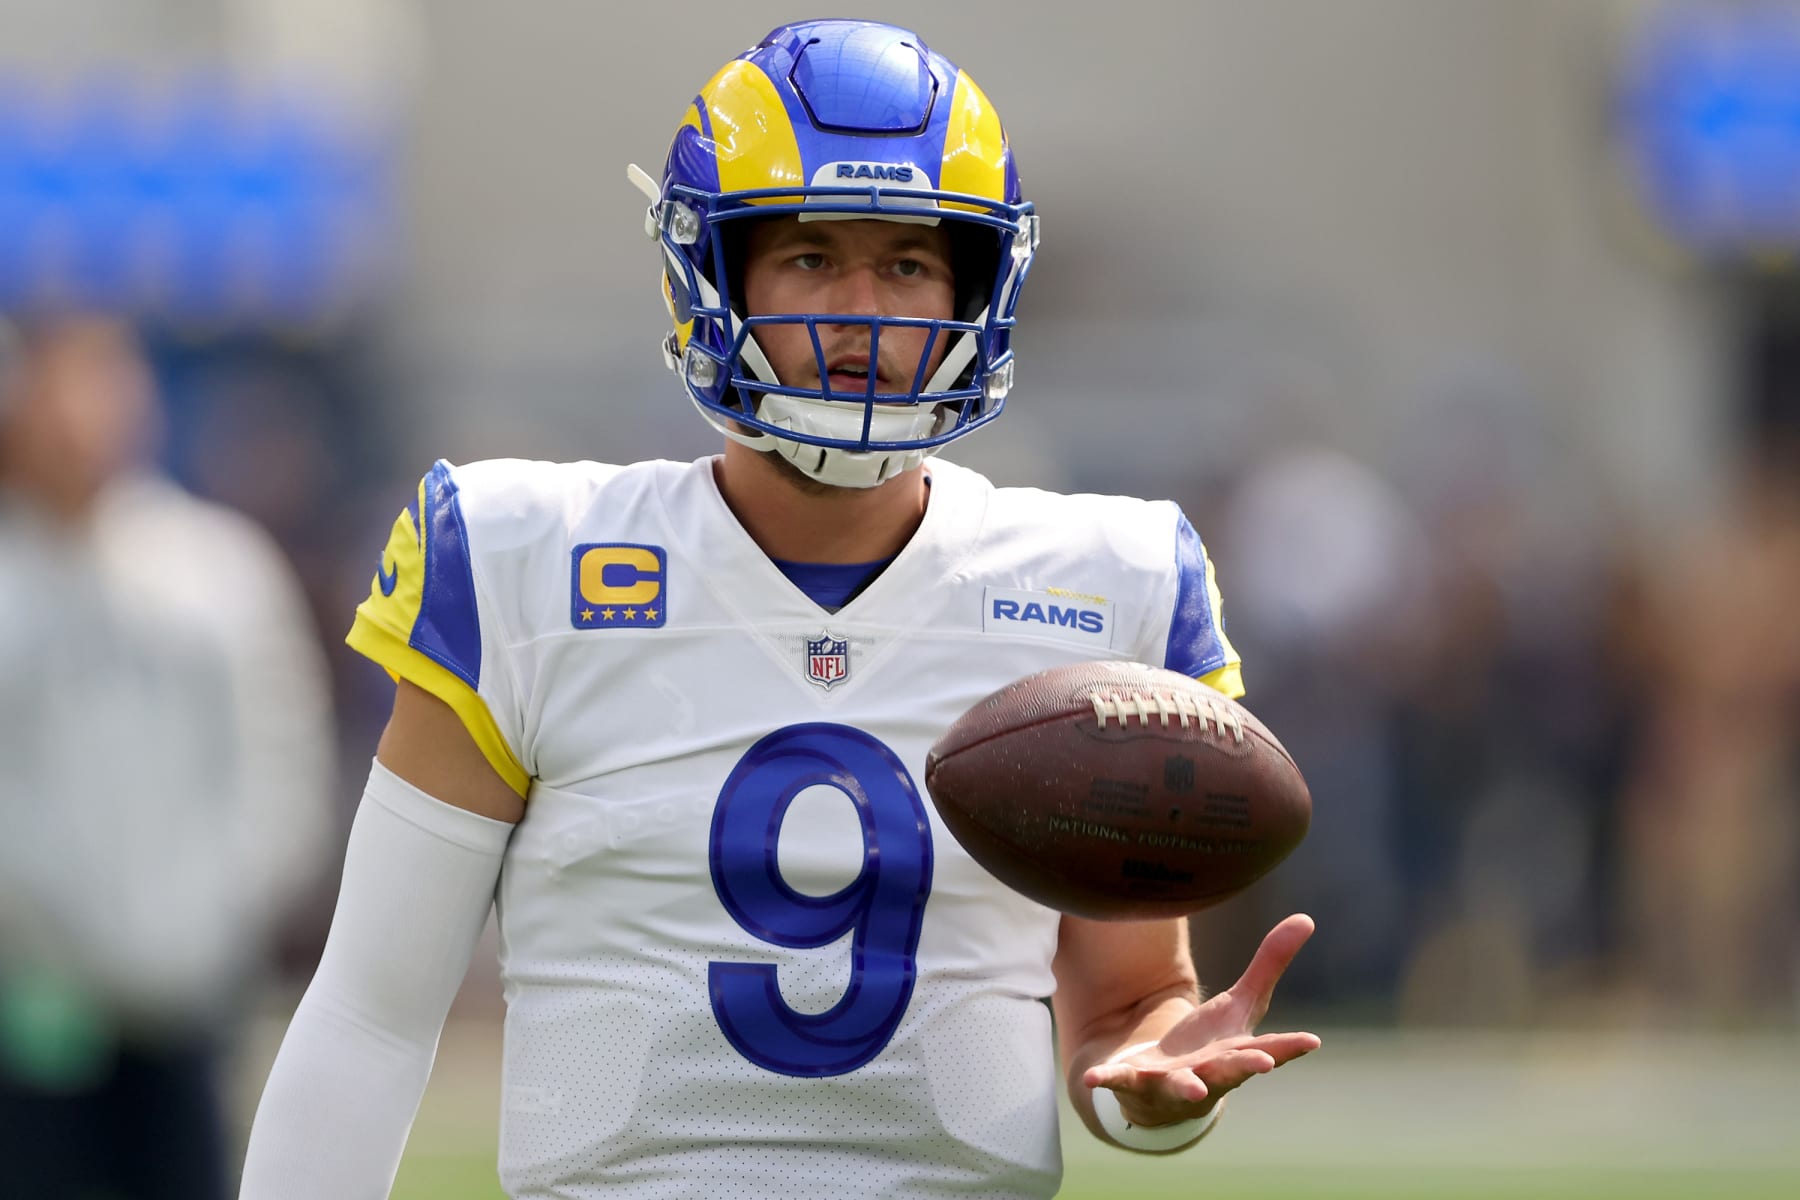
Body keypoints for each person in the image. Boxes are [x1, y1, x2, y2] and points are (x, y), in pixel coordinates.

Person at [239, 19, 1319, 1199]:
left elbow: (1125, 1009)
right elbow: (372, 1015)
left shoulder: (1102, 577)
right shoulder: (523, 562)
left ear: (976, 282)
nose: (863, 311)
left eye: (908, 264)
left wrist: (1152, 1093)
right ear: (715, 274)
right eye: (811, 259)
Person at [0, 315, 335, 1199]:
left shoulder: (216, 572)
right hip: (34, 1003)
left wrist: (216, 923)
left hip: (194, 993)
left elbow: (283, 761)